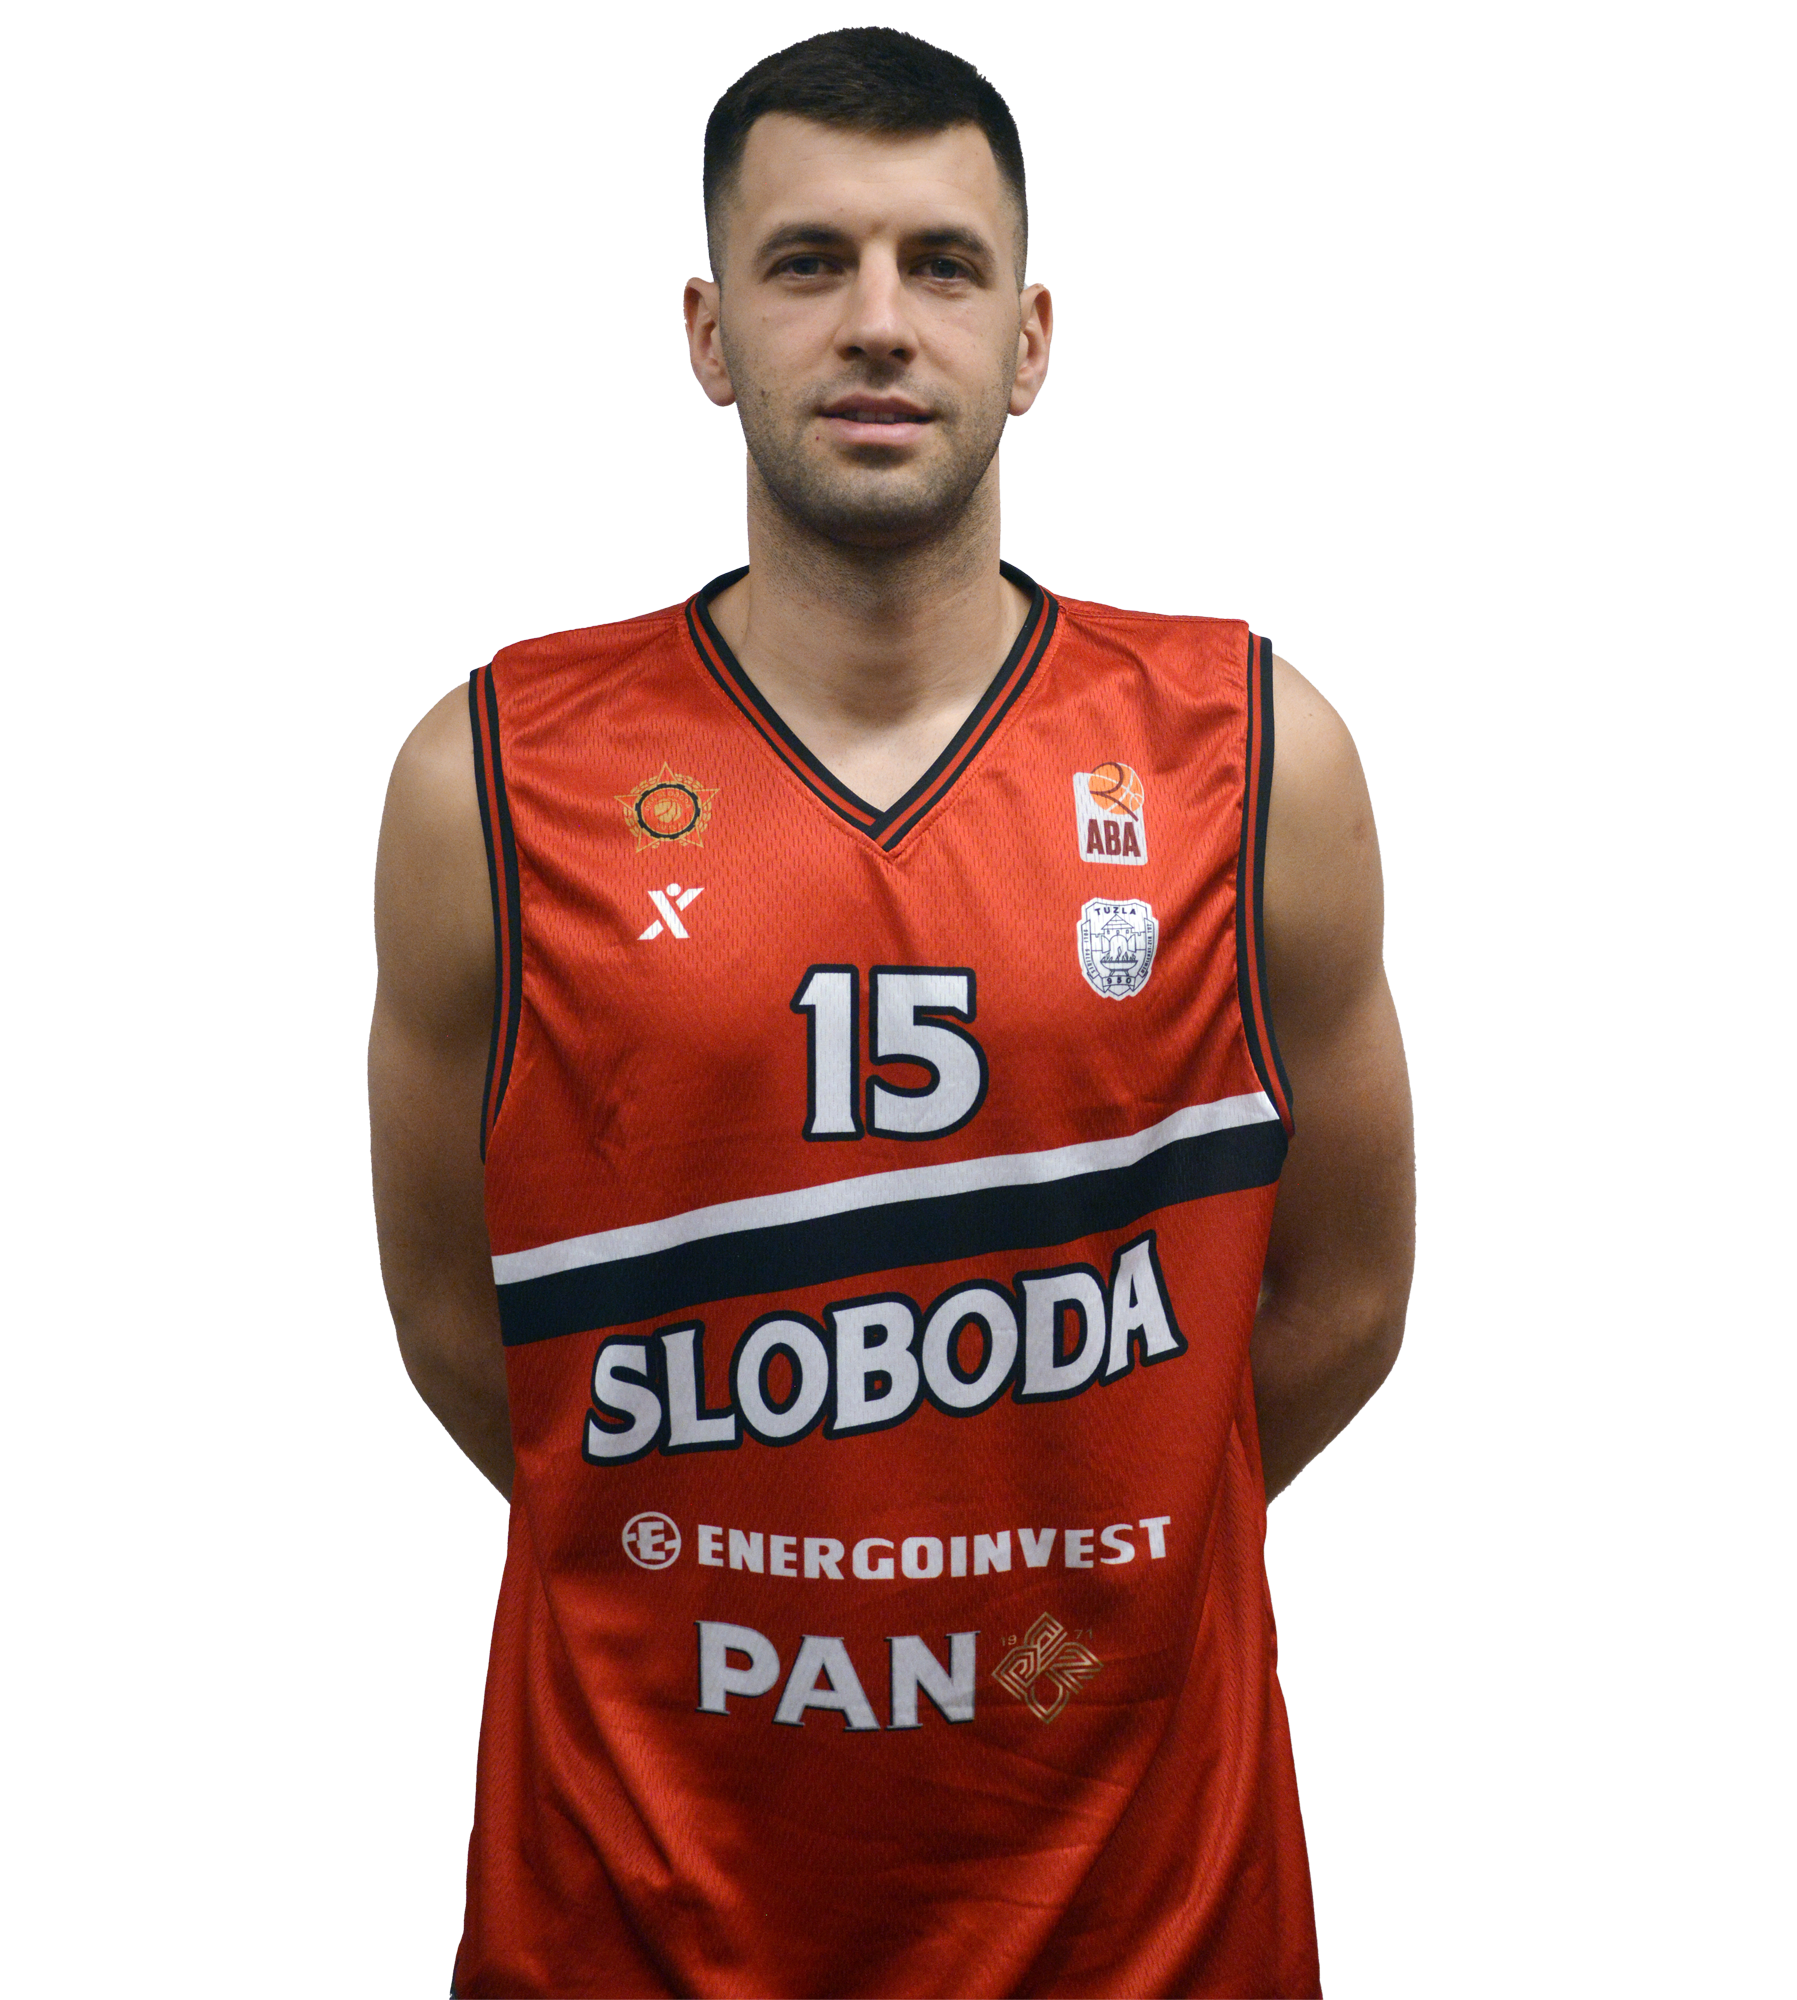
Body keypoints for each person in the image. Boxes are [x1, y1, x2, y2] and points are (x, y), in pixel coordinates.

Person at [371, 27, 1413, 2000]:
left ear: (1028, 339)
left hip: (1142, 1919)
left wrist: (1110, 1537)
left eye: (941, 264)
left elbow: (1347, 1294)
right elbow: (456, 1317)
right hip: (635, 1912)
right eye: (806, 262)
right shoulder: (485, 778)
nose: (876, 321)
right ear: (709, 333)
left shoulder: (1253, 755)